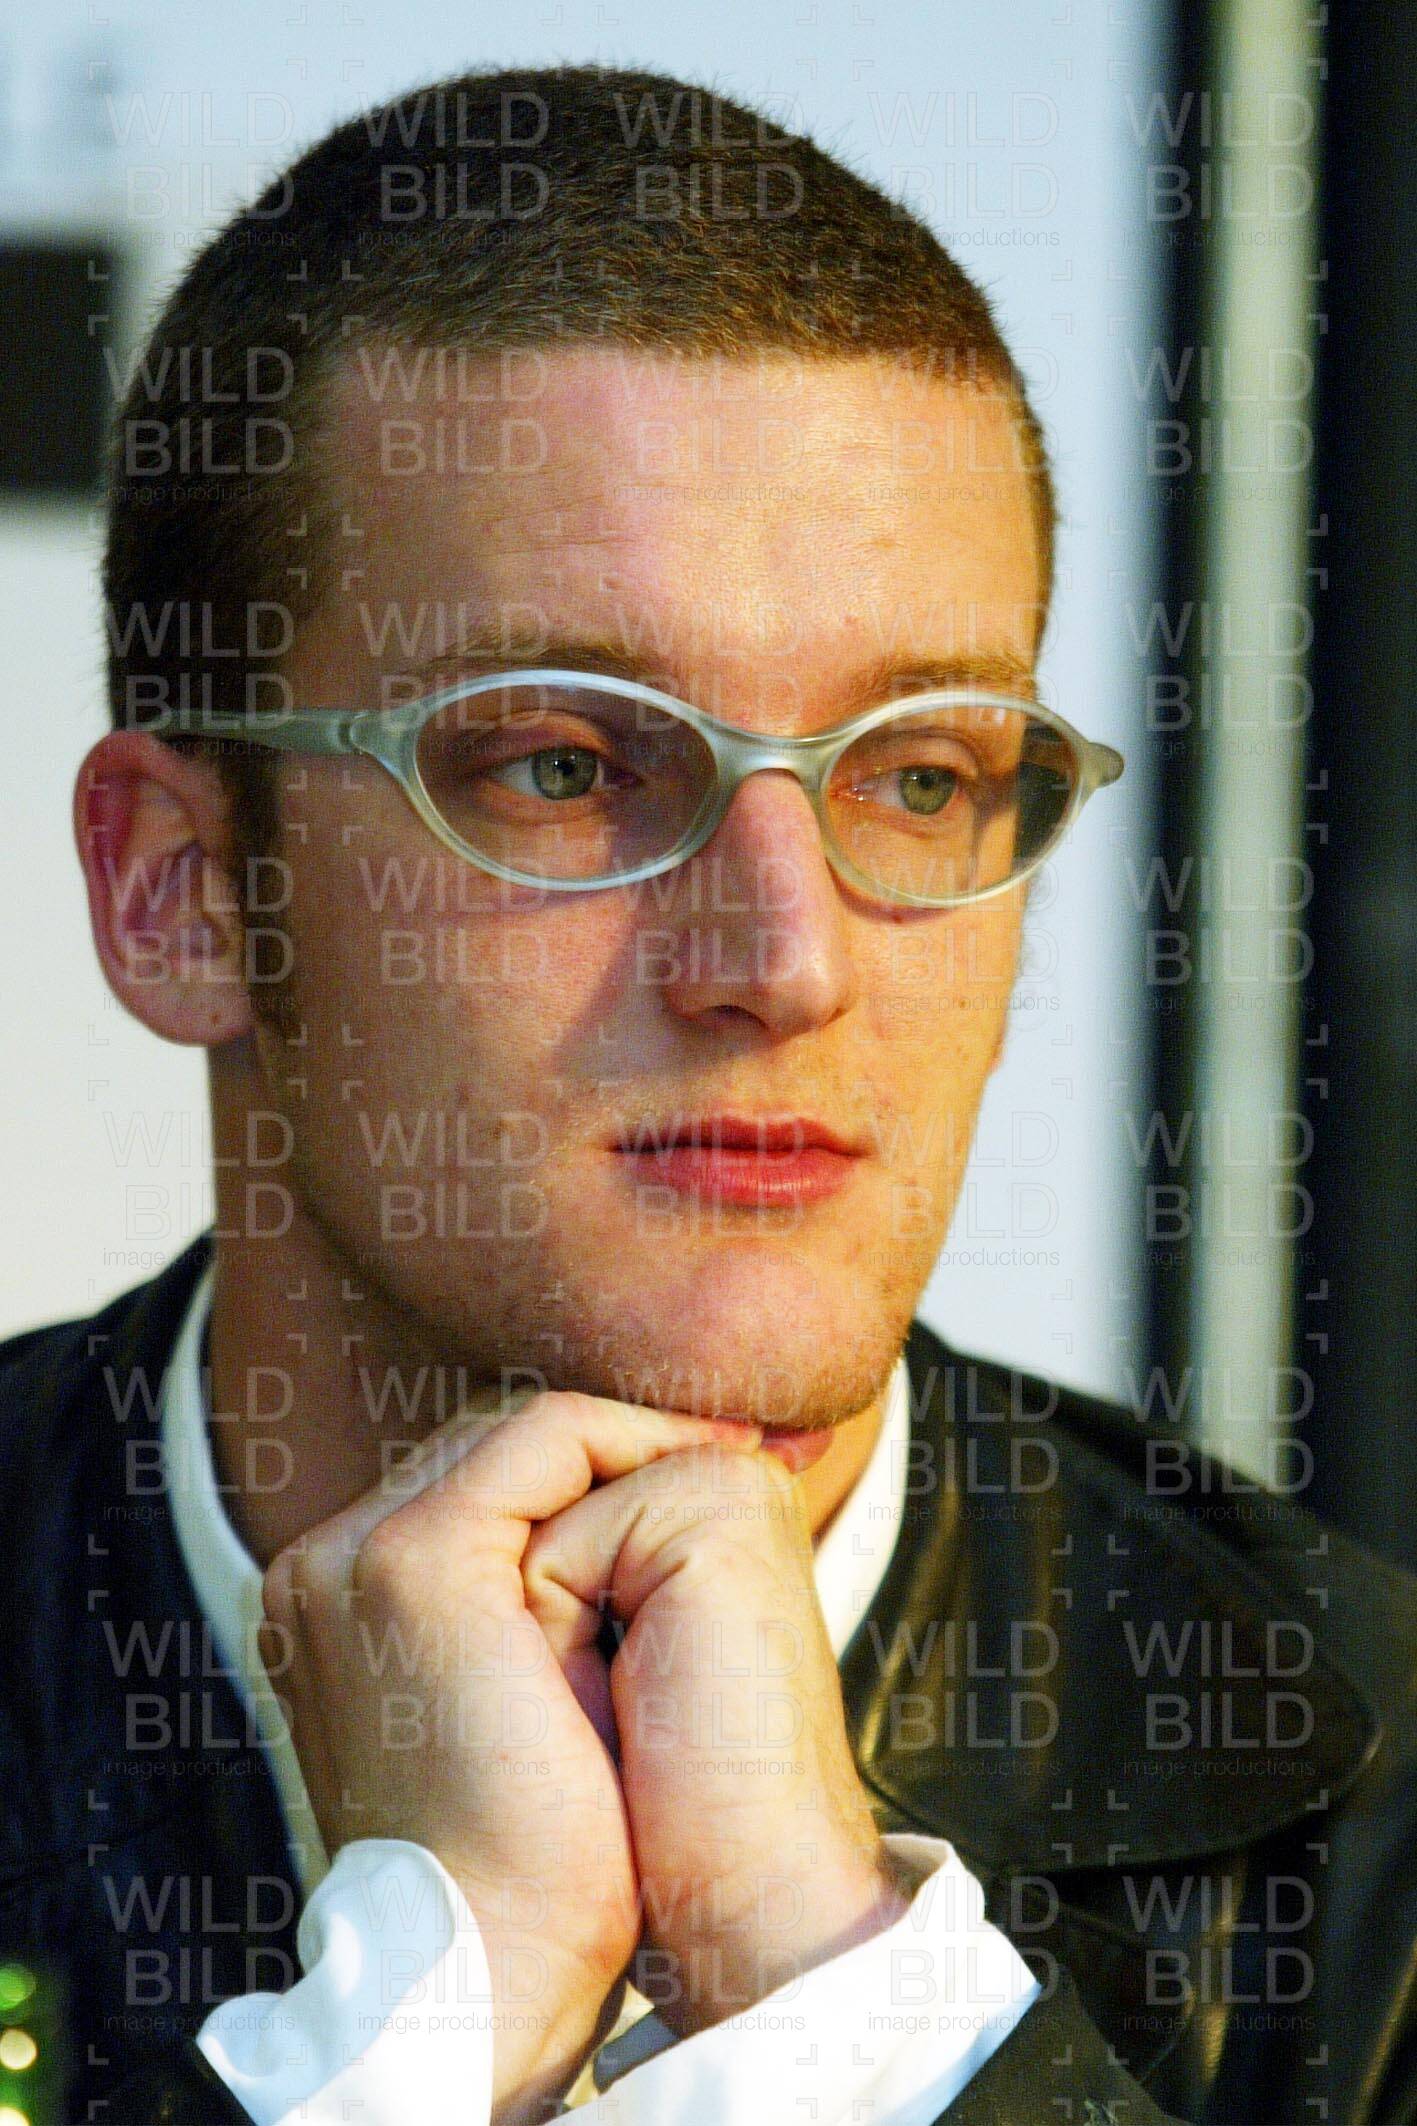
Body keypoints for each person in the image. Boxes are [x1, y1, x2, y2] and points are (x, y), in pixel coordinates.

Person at [2, 61, 1411, 2126]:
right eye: (566, 765)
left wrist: (848, 2003)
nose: (785, 956)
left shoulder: (1378, 1832)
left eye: (916, 776)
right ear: (183, 890)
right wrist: (418, 2023)